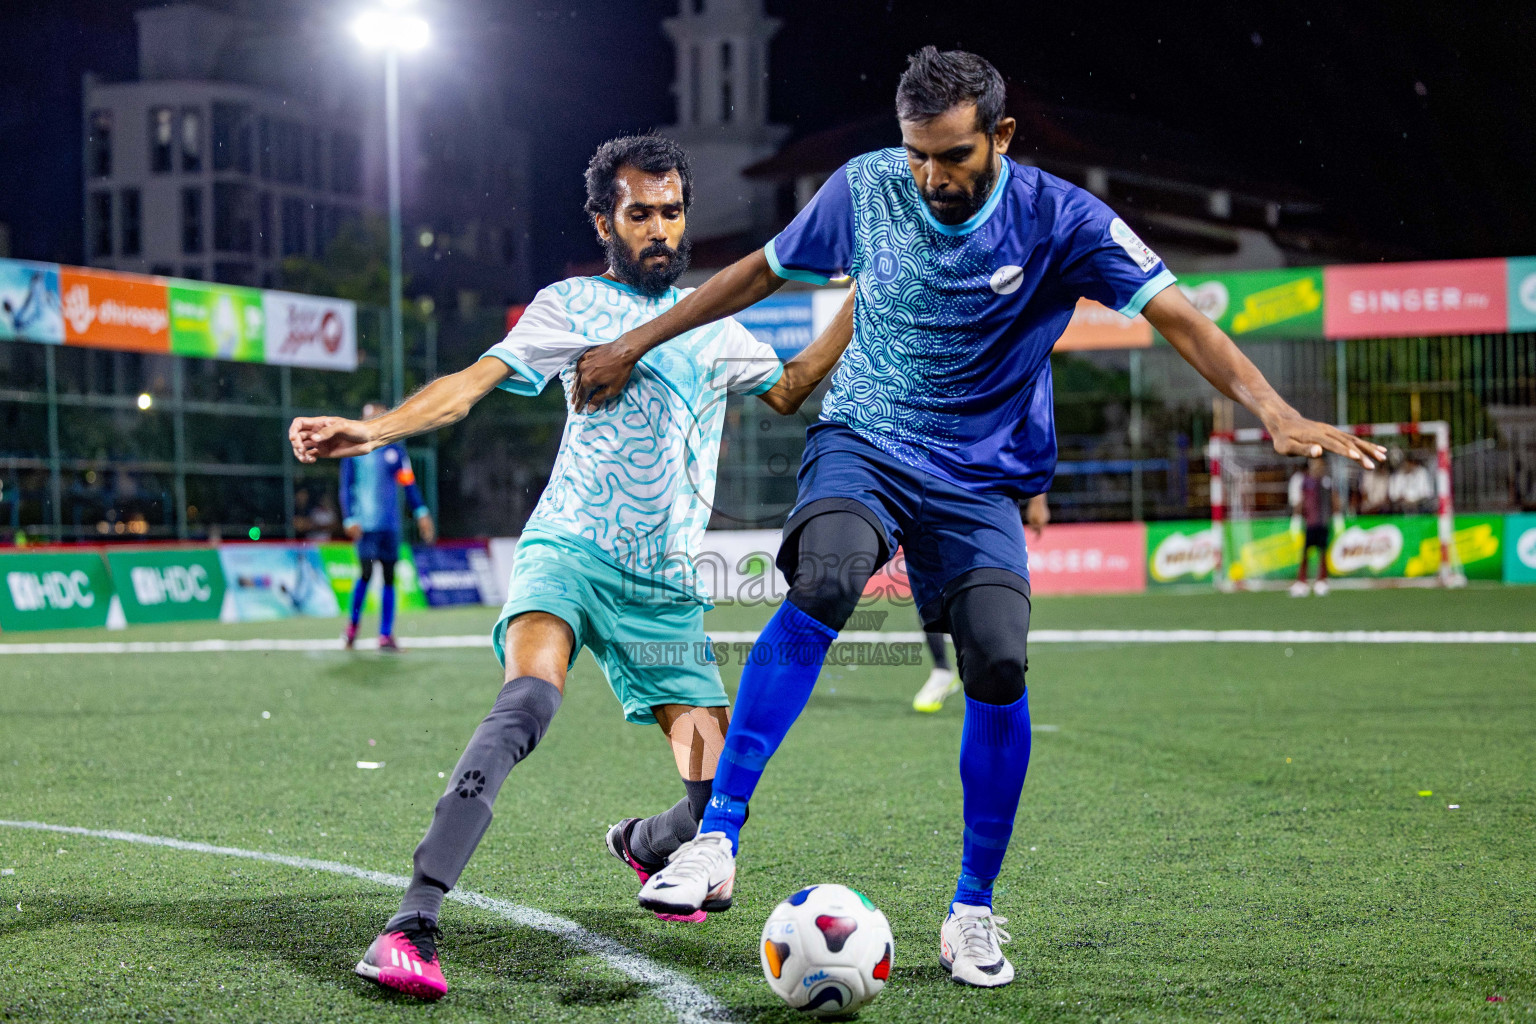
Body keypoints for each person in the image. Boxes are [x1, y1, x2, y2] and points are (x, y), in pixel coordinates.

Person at [570, 48, 1386, 988]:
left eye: (952, 156)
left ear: (998, 137)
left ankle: (971, 909)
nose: (930, 177)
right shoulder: (867, 187)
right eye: (917, 154)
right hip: (866, 442)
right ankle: (715, 842)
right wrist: (634, 340)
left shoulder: (1061, 219)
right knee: (828, 578)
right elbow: (757, 274)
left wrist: (1272, 408)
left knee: (997, 659)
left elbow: (1179, 315)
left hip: (979, 482)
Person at [288, 135, 856, 1001]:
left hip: (665, 588)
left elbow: (792, 388)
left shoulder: (717, 323)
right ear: (606, 222)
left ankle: (645, 844)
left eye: (671, 212)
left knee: (714, 806)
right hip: (571, 549)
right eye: (640, 214)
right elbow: (472, 383)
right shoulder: (571, 306)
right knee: (527, 701)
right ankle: (411, 923)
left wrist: (860, 305)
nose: (660, 229)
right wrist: (375, 429)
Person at [913, 492, 1048, 712]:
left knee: (988, 597)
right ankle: (942, 670)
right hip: (936, 498)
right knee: (930, 587)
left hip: (989, 505)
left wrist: (1038, 500)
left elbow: (1035, 455)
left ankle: (993, 679)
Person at [338, 404, 436, 652]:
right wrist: (349, 518)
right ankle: (352, 627)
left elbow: (408, 483)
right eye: (369, 416)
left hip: (389, 526)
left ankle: (385, 634)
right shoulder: (355, 450)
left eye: (378, 416)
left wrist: (421, 512)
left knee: (390, 577)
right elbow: (346, 486)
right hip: (366, 526)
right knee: (366, 574)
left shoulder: (394, 449)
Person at [1289, 456, 1340, 597]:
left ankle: (1322, 581)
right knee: (1305, 553)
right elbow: (1301, 500)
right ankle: (1302, 582)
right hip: (1310, 523)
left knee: (1323, 553)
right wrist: (1296, 518)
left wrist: (1337, 517)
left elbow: (1334, 499)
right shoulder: (1305, 481)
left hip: (1323, 522)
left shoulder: (1327, 482)